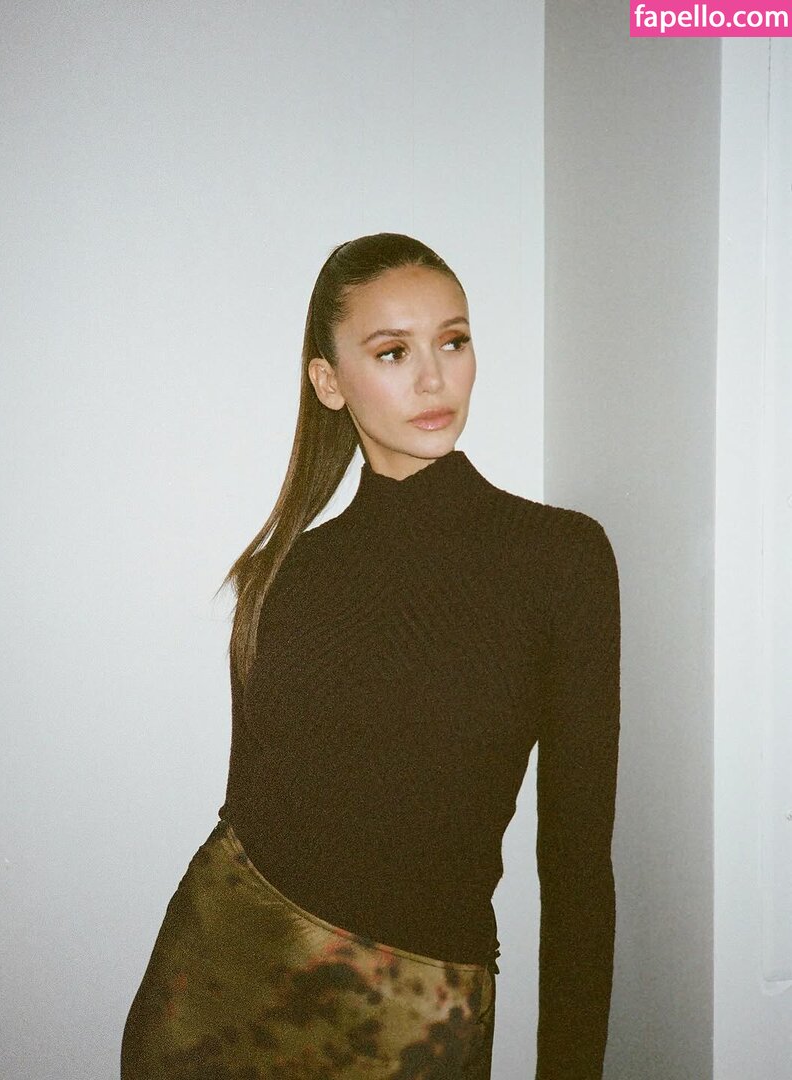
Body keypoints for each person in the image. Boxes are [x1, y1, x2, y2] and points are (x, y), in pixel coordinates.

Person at [121, 232, 621, 1079]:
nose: (435, 379)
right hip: (218, 992)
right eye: (393, 352)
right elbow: (252, 811)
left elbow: (577, 863)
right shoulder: (286, 575)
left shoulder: (559, 559)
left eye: (453, 342)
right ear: (329, 382)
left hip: (416, 1017)